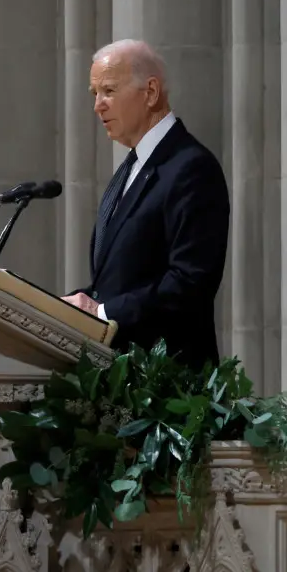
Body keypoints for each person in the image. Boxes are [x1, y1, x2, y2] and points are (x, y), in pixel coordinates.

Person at [61, 40, 229, 371]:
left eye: (108, 90)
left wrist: (103, 314)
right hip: (122, 380)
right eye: (94, 93)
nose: (98, 106)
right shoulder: (131, 168)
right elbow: (122, 279)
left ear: (150, 92)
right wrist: (75, 304)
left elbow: (189, 283)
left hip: (170, 386)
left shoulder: (190, 167)